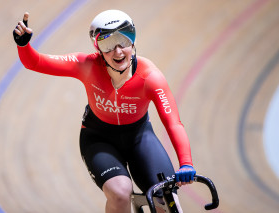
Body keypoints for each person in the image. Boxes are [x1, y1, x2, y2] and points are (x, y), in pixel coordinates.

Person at [13, 10, 196, 213]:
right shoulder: (86, 65)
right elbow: (35, 62)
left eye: (123, 41)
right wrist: (24, 45)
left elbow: (173, 123)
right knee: (120, 193)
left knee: (168, 200)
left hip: (139, 138)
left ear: (133, 41)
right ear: (98, 48)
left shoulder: (151, 77)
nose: (117, 51)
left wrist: (186, 163)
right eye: (108, 45)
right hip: (99, 139)